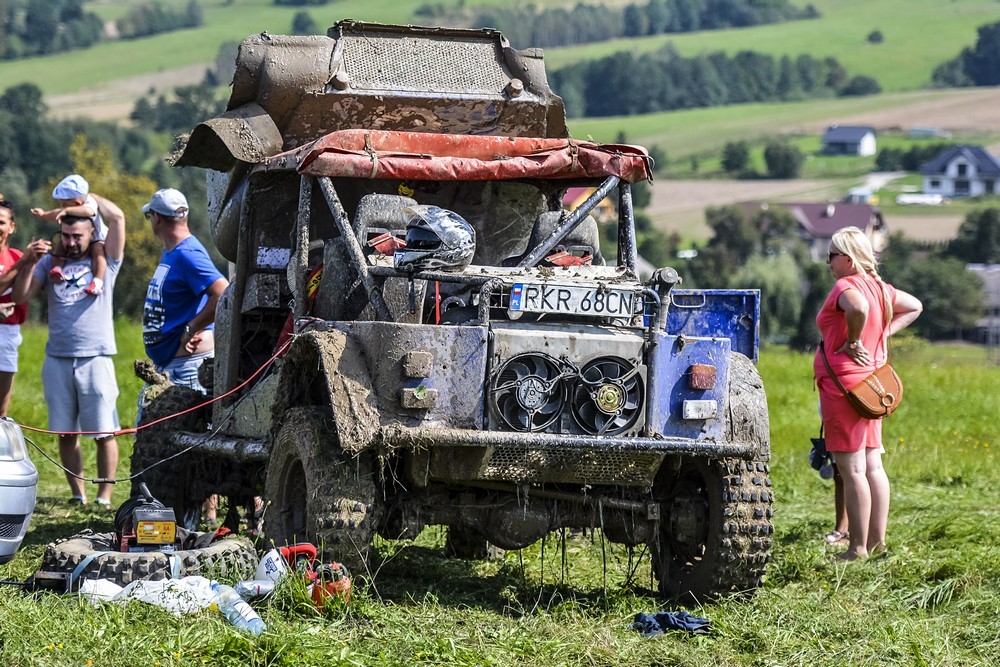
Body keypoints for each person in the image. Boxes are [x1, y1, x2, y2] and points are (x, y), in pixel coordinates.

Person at [813, 227, 922, 560]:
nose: (828, 263)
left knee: (853, 470)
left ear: (846, 259)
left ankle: (857, 548)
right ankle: (877, 542)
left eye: (831, 256)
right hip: (872, 387)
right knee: (873, 464)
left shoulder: (847, 286)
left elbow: (857, 308)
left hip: (844, 388)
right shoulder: (880, 288)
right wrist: (883, 336)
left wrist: (856, 341)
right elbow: (914, 306)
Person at [12, 195, 126, 507]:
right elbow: (21, 296)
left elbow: (116, 217)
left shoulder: (107, 262)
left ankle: (104, 497)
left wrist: (89, 199)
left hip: (96, 356)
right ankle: (78, 494)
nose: (72, 242)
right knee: (65, 432)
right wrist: (30, 260)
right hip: (57, 358)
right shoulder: (50, 263)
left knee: (104, 432)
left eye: (78, 236)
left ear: (92, 234)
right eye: (66, 236)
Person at [141, 188, 228, 526]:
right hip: (172, 363)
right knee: (164, 437)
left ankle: (189, 517)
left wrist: (193, 327)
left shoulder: (189, 253)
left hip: (188, 366)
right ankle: (183, 514)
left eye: (150, 216)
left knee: (186, 440)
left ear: (158, 218)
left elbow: (220, 293)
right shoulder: (175, 252)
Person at [29, 174, 108, 296]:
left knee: (98, 254)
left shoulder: (90, 203)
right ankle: (57, 269)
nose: (63, 208)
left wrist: (66, 211)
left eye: (65, 204)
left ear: (77, 203)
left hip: (97, 237)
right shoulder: (72, 208)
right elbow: (57, 212)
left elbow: (89, 211)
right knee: (61, 244)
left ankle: (98, 280)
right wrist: (44, 215)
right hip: (79, 237)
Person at [0, 195, 30, 417]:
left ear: (12, 227)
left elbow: (21, 297)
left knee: (1, 410)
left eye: (1, 222)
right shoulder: (21, 259)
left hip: (8, 334)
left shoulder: (16, 256)